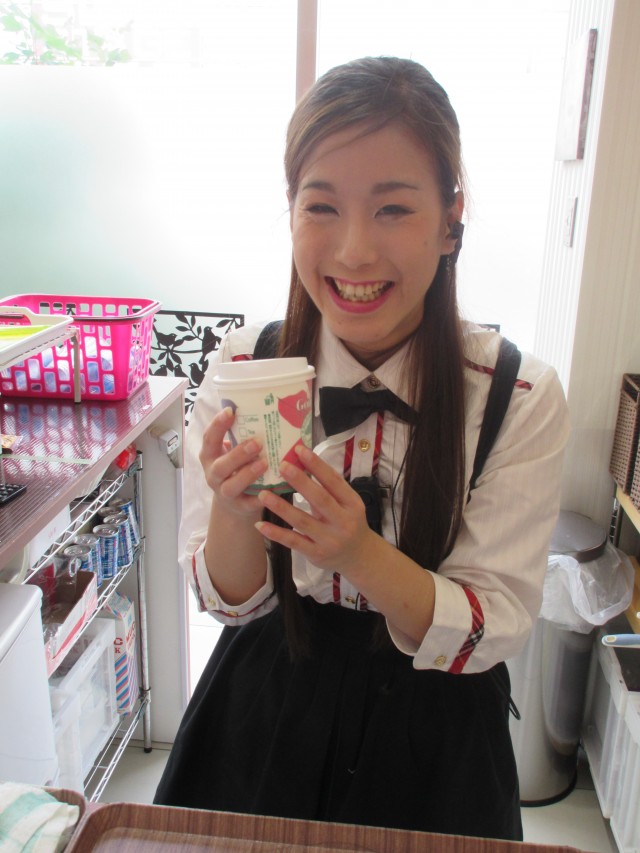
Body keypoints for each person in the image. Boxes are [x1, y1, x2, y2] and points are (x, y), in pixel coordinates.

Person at [154, 56, 570, 840]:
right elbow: (229, 601)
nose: (352, 252)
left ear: (451, 218)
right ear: (290, 212)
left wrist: (360, 554)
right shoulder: (245, 367)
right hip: (264, 708)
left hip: (438, 729)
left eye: (392, 209)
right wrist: (236, 512)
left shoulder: (516, 395)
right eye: (321, 206)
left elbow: (496, 619)